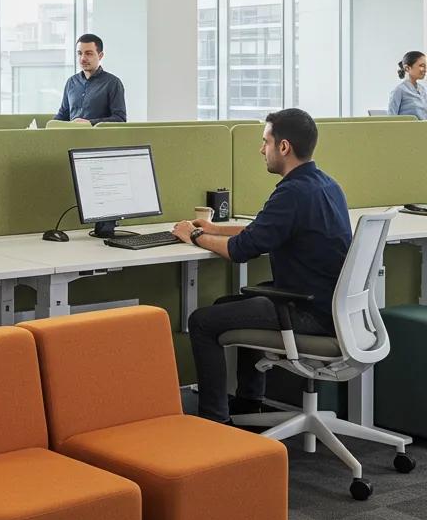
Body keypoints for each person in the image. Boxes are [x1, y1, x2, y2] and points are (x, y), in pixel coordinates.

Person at [172, 108, 351, 425]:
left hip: (307, 311)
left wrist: (194, 235)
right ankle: (248, 403)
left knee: (201, 321)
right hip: (329, 305)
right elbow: (261, 231)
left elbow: (240, 251)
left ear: (284, 147)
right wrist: (215, 229)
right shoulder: (326, 184)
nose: (261, 149)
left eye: (265, 141)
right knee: (227, 305)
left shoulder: (292, 192)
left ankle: (215, 422)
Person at [53, 33, 127, 126]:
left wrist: (89, 123)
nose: (83, 58)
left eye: (88, 54)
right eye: (79, 53)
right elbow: (63, 115)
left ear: (100, 55)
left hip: (97, 135)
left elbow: (120, 119)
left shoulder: (113, 83)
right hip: (71, 134)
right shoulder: (71, 82)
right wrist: (48, 127)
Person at [388, 50, 427, 119]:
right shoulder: (399, 91)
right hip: (408, 126)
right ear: (407, 68)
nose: (425, 70)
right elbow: (391, 119)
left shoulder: (422, 89)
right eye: (422, 66)